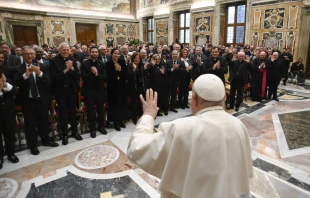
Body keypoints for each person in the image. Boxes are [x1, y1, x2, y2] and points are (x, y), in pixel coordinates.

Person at [127, 74, 253, 198]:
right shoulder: (239, 126)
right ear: (224, 97)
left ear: (195, 99)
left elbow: (136, 149)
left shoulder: (180, 129)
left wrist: (148, 115)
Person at [14, 46, 59, 155]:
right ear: (23, 56)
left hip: (41, 99)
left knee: (44, 121)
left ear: (35, 55)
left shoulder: (43, 66)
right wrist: (26, 75)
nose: (30, 56)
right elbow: (16, 82)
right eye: (27, 54)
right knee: (30, 124)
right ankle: (33, 145)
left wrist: (40, 73)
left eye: (32, 54)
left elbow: (49, 82)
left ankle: (46, 140)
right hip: (27, 100)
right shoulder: (18, 68)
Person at [49, 42, 83, 145]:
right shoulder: (53, 61)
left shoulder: (72, 59)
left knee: (73, 111)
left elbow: (77, 76)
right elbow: (53, 78)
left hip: (72, 90)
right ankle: (64, 134)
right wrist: (66, 70)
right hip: (60, 91)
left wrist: (72, 68)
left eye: (67, 50)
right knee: (63, 113)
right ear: (59, 50)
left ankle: (74, 131)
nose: (66, 52)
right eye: (64, 50)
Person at [80, 46, 107, 138]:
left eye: (96, 52)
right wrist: (92, 73)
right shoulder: (84, 63)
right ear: (89, 52)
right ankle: (92, 129)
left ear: (98, 53)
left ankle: (101, 126)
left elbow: (105, 77)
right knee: (91, 111)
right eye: (93, 52)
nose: (94, 53)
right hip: (89, 90)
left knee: (101, 109)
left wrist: (97, 74)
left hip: (99, 90)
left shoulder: (101, 63)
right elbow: (84, 78)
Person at [0, 52, 19, 169]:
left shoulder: (7, 71)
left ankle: (11, 153)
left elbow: (15, 92)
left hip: (8, 108)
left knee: (9, 132)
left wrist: (5, 84)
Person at [106, 48, 128, 131]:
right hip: (112, 88)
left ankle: (121, 120)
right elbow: (108, 77)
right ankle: (116, 122)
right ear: (111, 54)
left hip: (121, 87)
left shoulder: (122, 62)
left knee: (122, 104)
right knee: (114, 105)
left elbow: (126, 75)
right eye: (115, 53)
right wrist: (116, 72)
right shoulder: (108, 63)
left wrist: (119, 71)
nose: (117, 55)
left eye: (118, 54)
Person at [127, 52, 145, 124]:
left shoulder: (141, 65)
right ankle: (134, 118)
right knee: (134, 103)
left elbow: (143, 75)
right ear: (133, 59)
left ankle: (141, 116)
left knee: (140, 102)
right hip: (133, 87)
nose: (137, 59)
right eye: (135, 58)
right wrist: (134, 70)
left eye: (138, 58)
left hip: (141, 86)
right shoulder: (129, 66)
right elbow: (128, 76)